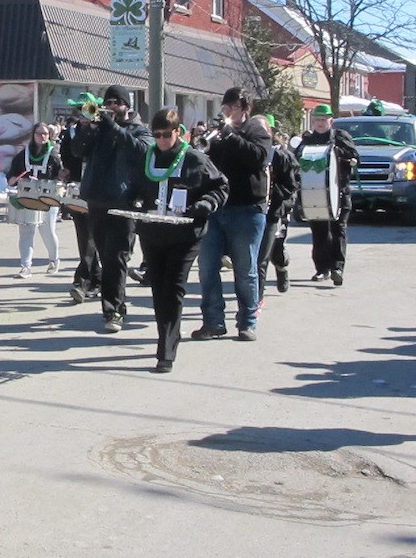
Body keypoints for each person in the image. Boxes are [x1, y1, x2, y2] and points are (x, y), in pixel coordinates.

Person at [128, 110, 228, 372]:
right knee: (159, 289)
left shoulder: (195, 158)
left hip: (185, 235)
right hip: (153, 233)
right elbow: (134, 188)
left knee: (173, 288)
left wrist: (206, 203)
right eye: (157, 135)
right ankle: (169, 335)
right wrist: (133, 201)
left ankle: (166, 351)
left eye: (167, 134)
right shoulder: (146, 158)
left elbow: (220, 187)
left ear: (178, 132)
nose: (161, 140)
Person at [193, 86, 274, 342]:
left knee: (245, 268)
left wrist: (232, 136)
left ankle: (247, 322)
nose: (227, 111)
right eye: (225, 106)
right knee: (207, 266)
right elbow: (206, 164)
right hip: (217, 208)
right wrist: (204, 143)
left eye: (233, 107)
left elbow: (259, 158)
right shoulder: (219, 134)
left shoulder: (256, 130)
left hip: (247, 209)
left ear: (245, 109)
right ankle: (213, 321)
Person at [72, 85, 153, 333]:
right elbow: (77, 152)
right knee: (105, 257)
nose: (110, 107)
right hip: (96, 200)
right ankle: (110, 303)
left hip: (124, 202)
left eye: (115, 103)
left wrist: (113, 127)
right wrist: (86, 129)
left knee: (117, 257)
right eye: (107, 103)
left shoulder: (139, 129)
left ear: (126, 106)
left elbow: (143, 151)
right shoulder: (99, 130)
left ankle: (114, 310)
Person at [294, 103, 358, 286]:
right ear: (313, 122)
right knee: (319, 232)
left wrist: (341, 154)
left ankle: (337, 268)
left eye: (323, 120)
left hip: (339, 191)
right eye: (317, 120)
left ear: (331, 121)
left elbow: (354, 156)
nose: (320, 123)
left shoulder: (340, 137)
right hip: (315, 194)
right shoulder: (307, 141)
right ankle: (322, 269)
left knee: (339, 230)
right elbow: (297, 159)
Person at [7, 122, 62, 278]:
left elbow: (60, 176)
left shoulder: (53, 155)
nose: (42, 136)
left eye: (45, 134)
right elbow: (12, 175)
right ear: (33, 135)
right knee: (26, 231)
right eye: (39, 133)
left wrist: (62, 177)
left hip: (47, 198)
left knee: (48, 232)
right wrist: (12, 179)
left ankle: (54, 259)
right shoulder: (23, 155)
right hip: (27, 197)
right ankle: (26, 266)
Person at [60, 95, 101, 303]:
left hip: (98, 189)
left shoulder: (101, 130)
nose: (82, 114)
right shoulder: (72, 132)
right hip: (77, 187)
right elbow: (65, 156)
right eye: (79, 109)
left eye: (85, 109)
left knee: (91, 236)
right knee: (83, 235)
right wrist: (65, 171)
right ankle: (95, 278)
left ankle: (82, 281)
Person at [255, 115, 299, 299]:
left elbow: (291, 186)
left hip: (276, 212)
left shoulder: (281, 156)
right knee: (257, 258)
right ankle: (256, 297)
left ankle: (281, 268)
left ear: (270, 132)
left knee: (276, 251)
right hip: (255, 213)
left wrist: (276, 198)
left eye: (261, 130)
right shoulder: (248, 152)